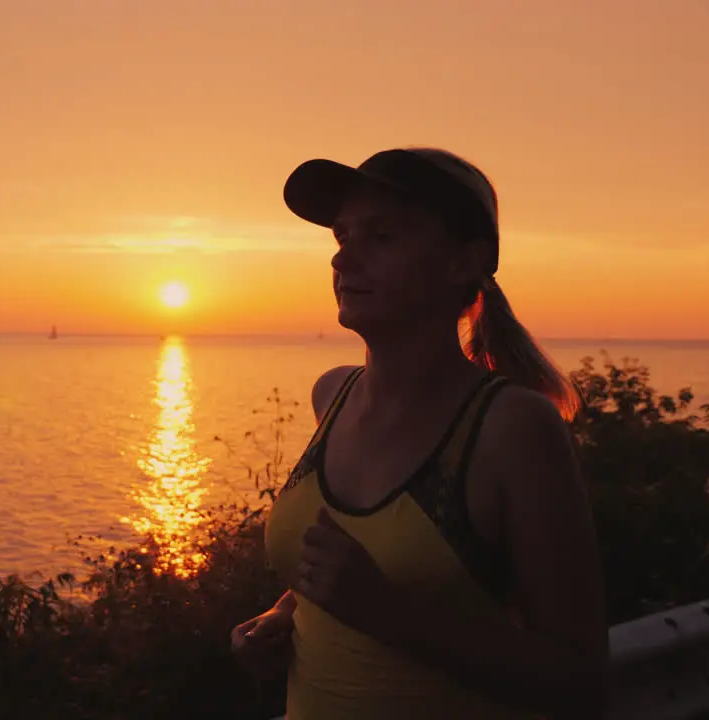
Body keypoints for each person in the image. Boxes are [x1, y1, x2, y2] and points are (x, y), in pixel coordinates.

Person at [229, 148, 608, 719]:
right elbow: (367, 570)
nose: (343, 261)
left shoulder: (510, 427)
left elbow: (579, 681)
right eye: (341, 237)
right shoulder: (332, 395)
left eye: (381, 237)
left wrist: (384, 612)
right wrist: (285, 615)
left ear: (463, 261)